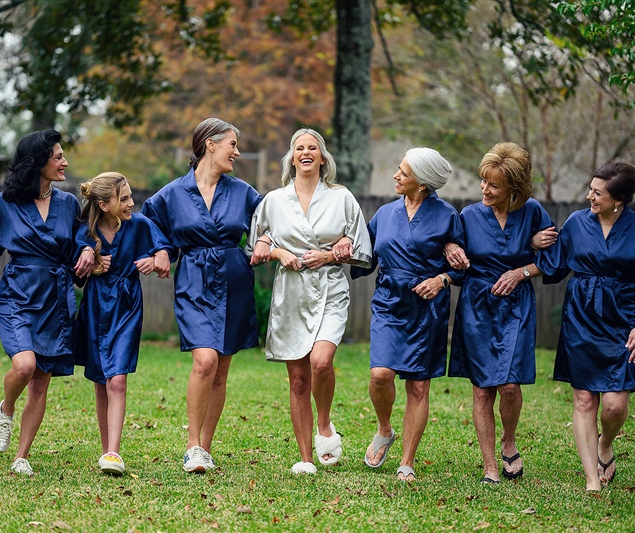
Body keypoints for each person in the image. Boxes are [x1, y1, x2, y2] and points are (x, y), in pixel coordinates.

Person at [537, 162, 635, 492]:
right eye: (591, 189)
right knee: (585, 400)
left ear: (619, 199)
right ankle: (591, 479)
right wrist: (534, 243)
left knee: (615, 406)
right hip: (581, 318)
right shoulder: (576, 223)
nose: (590, 196)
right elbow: (554, 266)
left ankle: (605, 444)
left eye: (598, 193)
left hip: (622, 321)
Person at [141, 118, 264, 473]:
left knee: (220, 371)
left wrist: (266, 240)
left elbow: (271, 222)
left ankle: (205, 448)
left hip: (234, 279)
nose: (237, 152)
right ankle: (192, 445)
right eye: (232, 144)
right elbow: (148, 225)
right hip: (194, 280)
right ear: (210, 144)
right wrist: (161, 250)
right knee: (205, 361)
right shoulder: (172, 194)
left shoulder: (243, 192)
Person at [248, 128, 372, 474]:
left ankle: (325, 423)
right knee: (298, 378)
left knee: (320, 361)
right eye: (299, 148)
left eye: (312, 148)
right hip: (291, 292)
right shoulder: (274, 200)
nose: (305, 153)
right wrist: (276, 251)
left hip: (330, 287)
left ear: (322, 157)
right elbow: (256, 246)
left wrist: (334, 253)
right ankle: (304, 458)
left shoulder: (341, 197)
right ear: (291, 158)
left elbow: (361, 247)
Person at [447, 142, 558, 484]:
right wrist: (450, 247)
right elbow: (450, 251)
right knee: (482, 389)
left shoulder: (534, 212)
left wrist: (521, 271)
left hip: (516, 305)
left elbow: (555, 259)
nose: (485, 189)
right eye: (483, 181)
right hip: (478, 306)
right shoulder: (468, 215)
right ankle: (490, 465)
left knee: (509, 386)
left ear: (514, 188)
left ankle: (509, 441)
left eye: (494, 185)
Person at [350, 147, 463, 482]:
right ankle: (385, 429)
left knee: (418, 386)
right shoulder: (385, 213)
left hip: (427, 308)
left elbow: (463, 267)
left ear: (423, 183)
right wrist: (338, 249)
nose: (396, 176)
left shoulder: (447, 216)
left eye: (404, 172)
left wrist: (442, 280)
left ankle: (407, 461)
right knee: (380, 375)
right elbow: (363, 255)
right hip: (389, 302)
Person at [0, 130, 93, 475]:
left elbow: (81, 240)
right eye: (58, 156)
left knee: (41, 379)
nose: (65, 162)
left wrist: (88, 250)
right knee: (24, 366)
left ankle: (22, 456)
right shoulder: (4, 203)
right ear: (38, 162)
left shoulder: (68, 203)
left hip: (55, 299)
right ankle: (6, 408)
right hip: (18, 294)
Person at [75, 172, 166, 476]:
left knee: (118, 379)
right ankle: (107, 451)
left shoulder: (139, 224)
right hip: (96, 305)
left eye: (130, 197)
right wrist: (90, 262)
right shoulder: (86, 232)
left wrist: (155, 259)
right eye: (124, 199)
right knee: (101, 379)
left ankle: (114, 451)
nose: (131, 203)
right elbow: (73, 270)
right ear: (104, 205)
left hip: (127, 304)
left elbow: (163, 248)